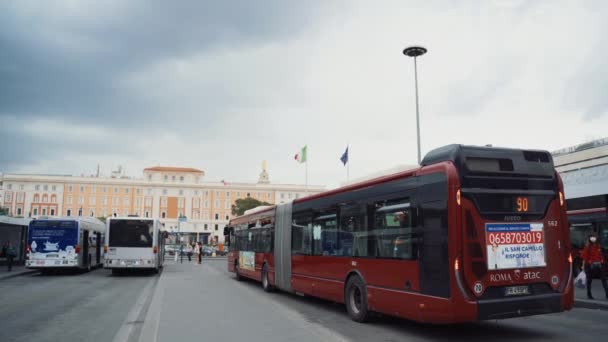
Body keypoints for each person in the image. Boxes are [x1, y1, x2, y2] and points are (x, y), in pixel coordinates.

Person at [581, 234, 608, 299]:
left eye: (594, 237)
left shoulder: (598, 246)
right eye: (592, 238)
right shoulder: (587, 247)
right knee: (589, 280)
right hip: (590, 266)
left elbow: (601, 256)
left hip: (599, 266)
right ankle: (589, 294)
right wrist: (583, 267)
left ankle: (607, 294)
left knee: (604, 279)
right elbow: (584, 258)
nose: (594, 239)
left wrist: (602, 262)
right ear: (590, 239)